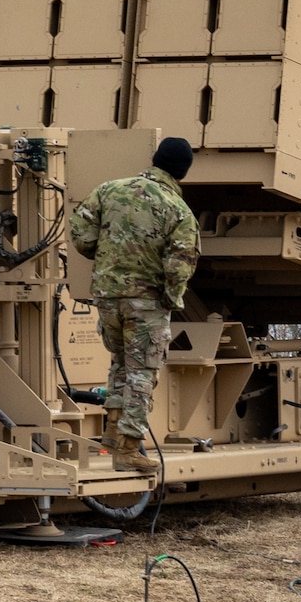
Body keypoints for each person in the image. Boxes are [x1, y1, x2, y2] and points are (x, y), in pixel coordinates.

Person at [70, 136, 200, 472]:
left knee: (120, 363)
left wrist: (106, 259)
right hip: (146, 302)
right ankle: (128, 449)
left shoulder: (109, 189)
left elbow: (81, 233)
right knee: (142, 374)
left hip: (107, 296)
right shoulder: (179, 210)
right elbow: (179, 264)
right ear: (183, 172)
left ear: (155, 159)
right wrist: (171, 300)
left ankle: (112, 434)